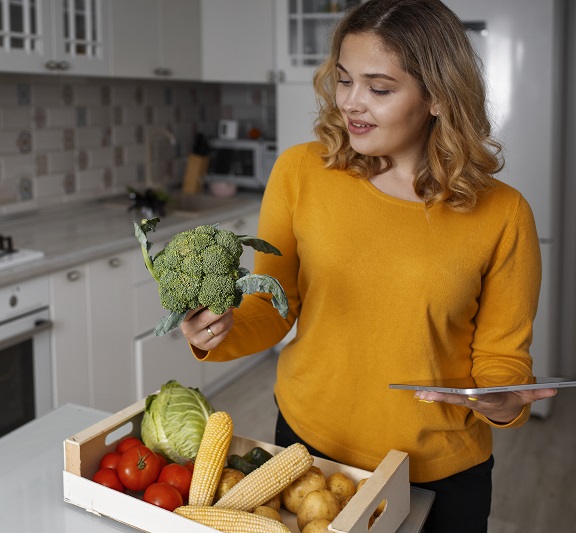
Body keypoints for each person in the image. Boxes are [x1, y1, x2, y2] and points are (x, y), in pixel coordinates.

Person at [180, 1, 557, 531]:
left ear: (438, 96)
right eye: (344, 80)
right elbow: (272, 303)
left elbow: (501, 357)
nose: (351, 103)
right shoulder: (300, 172)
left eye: (379, 88)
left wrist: (501, 399)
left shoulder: (503, 213)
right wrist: (220, 329)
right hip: (307, 450)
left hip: (437, 473)